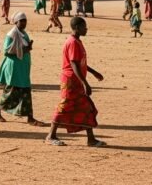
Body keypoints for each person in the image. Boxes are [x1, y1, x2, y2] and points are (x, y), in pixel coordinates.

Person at [45, 17, 106, 147]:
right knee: (64, 106)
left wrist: (94, 72)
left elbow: (80, 63)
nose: (86, 29)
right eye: (84, 27)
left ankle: (91, 139)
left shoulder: (77, 41)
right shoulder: (72, 42)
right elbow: (74, 64)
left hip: (76, 80)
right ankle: (51, 135)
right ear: (77, 28)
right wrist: (85, 83)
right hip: (71, 81)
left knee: (86, 108)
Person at [0, 12, 46, 127]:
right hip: (14, 68)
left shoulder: (23, 33)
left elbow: (23, 48)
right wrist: (24, 49)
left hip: (22, 68)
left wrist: (27, 48)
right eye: (21, 21)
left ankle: (30, 117)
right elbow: (7, 51)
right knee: (10, 92)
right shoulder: (11, 34)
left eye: (25, 21)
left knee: (25, 92)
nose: (24, 23)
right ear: (16, 22)